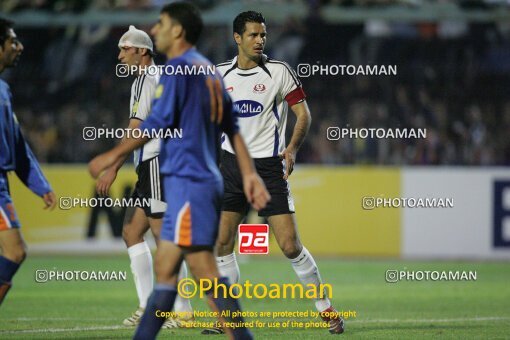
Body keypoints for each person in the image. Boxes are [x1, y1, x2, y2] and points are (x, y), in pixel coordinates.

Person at [88, 3, 270, 339]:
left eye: (161, 23)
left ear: (178, 31)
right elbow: (232, 129)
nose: (155, 30)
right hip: (196, 179)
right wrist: (249, 175)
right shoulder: (207, 71)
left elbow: (151, 126)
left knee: (201, 270)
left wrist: (109, 159)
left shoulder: (175, 74)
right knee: (168, 269)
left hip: (188, 181)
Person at [210, 11, 344, 335]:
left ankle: (325, 309)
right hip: (231, 165)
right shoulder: (218, 75)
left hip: (269, 168)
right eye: (253, 35)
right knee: (223, 243)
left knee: (289, 245)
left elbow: (304, 115)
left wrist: (293, 148)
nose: (260, 40)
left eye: (263, 35)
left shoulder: (279, 72)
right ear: (237, 38)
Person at [95, 25, 193, 328]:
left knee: (166, 239)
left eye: (126, 49)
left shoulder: (147, 80)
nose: (120, 54)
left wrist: (113, 165)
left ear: (142, 51)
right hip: (155, 163)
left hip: (156, 163)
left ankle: (181, 310)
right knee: (131, 232)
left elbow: (136, 128)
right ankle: (148, 305)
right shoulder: (156, 77)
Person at [0, 18, 57, 306]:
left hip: (3, 182)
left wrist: (39, 184)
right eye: (13, 42)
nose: (19, 47)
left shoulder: (3, 90)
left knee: (14, 252)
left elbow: (18, 145)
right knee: (14, 252)